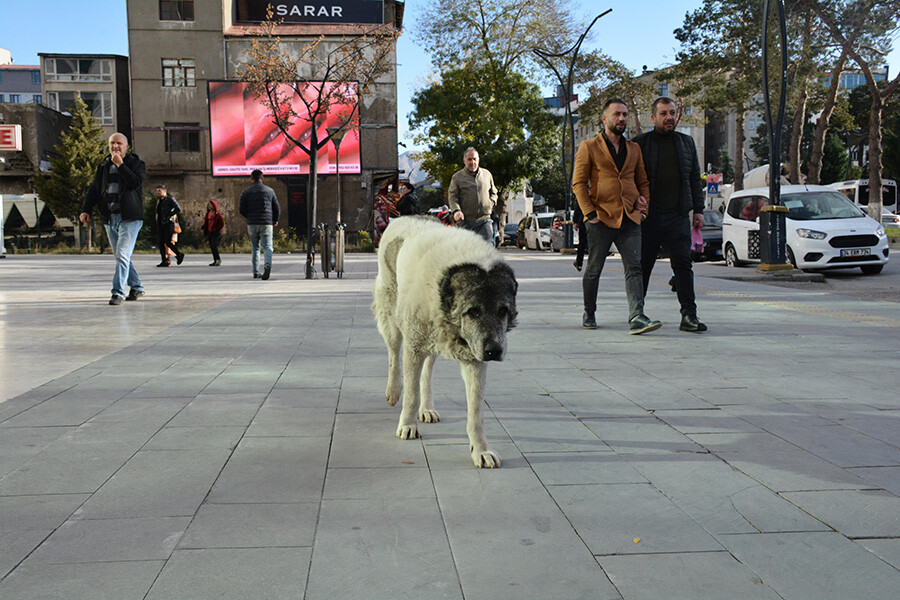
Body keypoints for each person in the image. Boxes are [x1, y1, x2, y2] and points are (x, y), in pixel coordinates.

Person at [572, 99, 660, 334]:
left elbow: (643, 182)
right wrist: (589, 213)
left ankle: (637, 316)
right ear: (604, 119)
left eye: (624, 114)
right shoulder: (588, 146)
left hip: (630, 217)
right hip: (601, 217)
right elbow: (578, 183)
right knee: (594, 268)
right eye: (616, 115)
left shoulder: (634, 149)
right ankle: (589, 311)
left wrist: (644, 206)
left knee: (635, 268)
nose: (621, 119)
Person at [633, 97, 707, 333]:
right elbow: (629, 178)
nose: (669, 117)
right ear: (653, 118)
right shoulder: (639, 144)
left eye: (673, 113)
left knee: (684, 266)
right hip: (650, 217)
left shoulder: (686, 143)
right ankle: (637, 314)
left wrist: (699, 209)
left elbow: (695, 177)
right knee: (644, 266)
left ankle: (689, 316)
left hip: (678, 215)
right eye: (664, 113)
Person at [79, 133, 147, 306]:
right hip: (110, 217)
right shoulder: (103, 165)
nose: (115, 146)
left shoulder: (136, 164)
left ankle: (117, 292)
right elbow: (94, 189)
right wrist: (85, 209)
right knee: (121, 256)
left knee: (122, 254)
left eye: (119, 143)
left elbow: (135, 183)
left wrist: (121, 165)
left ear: (126, 147)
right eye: (112, 143)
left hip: (130, 218)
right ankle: (137, 286)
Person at [447, 147, 497, 243]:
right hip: (465, 222)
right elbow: (453, 196)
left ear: (478, 160)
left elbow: (494, 192)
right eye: (469, 159)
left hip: (484, 220)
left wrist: (491, 203)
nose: (472, 162)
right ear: (464, 161)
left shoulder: (487, 174)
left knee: (488, 249)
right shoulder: (457, 177)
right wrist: (456, 211)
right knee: (467, 252)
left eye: (474, 159)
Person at [239, 169, 280, 280]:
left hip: (252, 223)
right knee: (267, 247)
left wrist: (250, 217)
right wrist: (275, 219)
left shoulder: (246, 192)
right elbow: (276, 207)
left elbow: (241, 209)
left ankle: (256, 272)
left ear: (252, 178)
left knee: (255, 248)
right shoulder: (270, 191)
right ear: (262, 178)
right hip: (266, 223)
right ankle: (267, 265)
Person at [154, 184, 184, 267]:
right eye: (157, 191)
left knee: (168, 242)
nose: (158, 193)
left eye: (159, 191)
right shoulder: (159, 201)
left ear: (164, 191)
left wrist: (169, 215)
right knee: (161, 243)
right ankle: (164, 260)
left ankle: (179, 254)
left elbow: (178, 208)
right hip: (160, 224)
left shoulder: (170, 199)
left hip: (168, 223)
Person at [202, 199, 225, 266]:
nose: (210, 206)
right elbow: (206, 223)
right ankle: (215, 260)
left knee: (213, 245)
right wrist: (202, 227)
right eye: (209, 205)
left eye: (211, 205)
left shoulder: (217, 215)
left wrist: (217, 229)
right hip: (209, 232)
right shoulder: (208, 214)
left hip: (215, 233)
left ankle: (218, 259)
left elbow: (221, 223)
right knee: (212, 246)